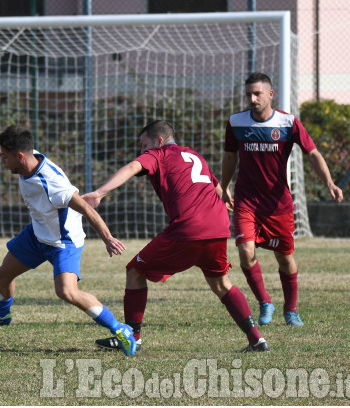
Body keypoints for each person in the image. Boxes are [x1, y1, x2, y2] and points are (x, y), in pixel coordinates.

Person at [84, 120, 270, 353]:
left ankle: (133, 338)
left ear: (159, 141)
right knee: (221, 284)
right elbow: (216, 188)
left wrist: (100, 193)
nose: (142, 151)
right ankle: (257, 340)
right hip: (219, 227)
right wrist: (228, 200)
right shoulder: (193, 155)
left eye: (144, 145)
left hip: (189, 229)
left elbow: (132, 167)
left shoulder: (159, 154)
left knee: (135, 271)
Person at [0, 125, 137, 356]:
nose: (3, 161)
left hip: (63, 242)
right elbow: (13, 151)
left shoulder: (53, 184)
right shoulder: (29, 158)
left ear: (20, 157)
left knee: (67, 292)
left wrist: (107, 237)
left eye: (5, 157)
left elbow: (86, 208)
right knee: (3, 275)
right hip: (37, 234)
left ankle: (120, 329)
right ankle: (2, 315)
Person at [221, 72, 344, 327]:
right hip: (247, 201)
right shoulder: (236, 122)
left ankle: (291, 310)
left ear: (270, 94)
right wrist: (224, 186)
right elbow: (230, 157)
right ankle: (265, 302)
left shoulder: (288, 123)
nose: (252, 99)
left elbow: (312, 153)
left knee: (284, 257)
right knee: (245, 251)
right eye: (248, 95)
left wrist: (329, 182)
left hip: (278, 204)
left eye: (257, 94)